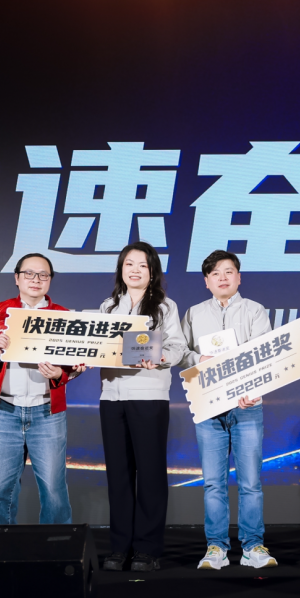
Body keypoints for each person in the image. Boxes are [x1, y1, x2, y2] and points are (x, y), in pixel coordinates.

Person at [0, 252, 82, 525]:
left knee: (54, 490)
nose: (36, 279)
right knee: (1, 490)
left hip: (47, 412)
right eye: (29, 273)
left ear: (50, 280)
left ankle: (56, 544)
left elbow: (76, 365)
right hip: (5, 411)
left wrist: (61, 374)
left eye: (43, 275)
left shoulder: (64, 316)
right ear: (17, 278)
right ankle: (1, 545)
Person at [180, 250, 276, 570]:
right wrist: (198, 359)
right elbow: (180, 353)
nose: (222, 277)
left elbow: (264, 354)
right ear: (206, 281)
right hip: (209, 407)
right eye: (215, 273)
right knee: (213, 483)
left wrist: (253, 388)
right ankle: (216, 547)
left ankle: (253, 545)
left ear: (239, 277)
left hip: (247, 406)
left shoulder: (255, 310)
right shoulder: (194, 314)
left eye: (229, 271)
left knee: (250, 483)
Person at [97, 242, 187, 573]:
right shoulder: (107, 307)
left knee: (149, 474)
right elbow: (97, 347)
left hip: (149, 395)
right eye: (129, 264)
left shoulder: (164, 306)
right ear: (121, 269)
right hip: (111, 396)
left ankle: (147, 549)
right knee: (118, 476)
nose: (135, 270)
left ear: (152, 272)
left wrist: (161, 356)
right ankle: (120, 547)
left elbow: (178, 346)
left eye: (142, 265)